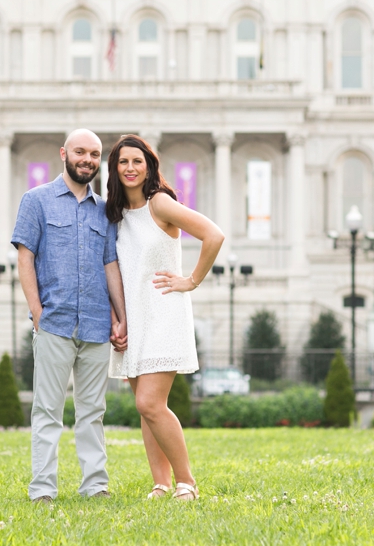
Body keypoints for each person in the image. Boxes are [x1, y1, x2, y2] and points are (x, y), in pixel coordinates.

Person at [11, 129, 128, 504]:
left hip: (95, 325)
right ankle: (43, 489)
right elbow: (25, 257)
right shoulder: (36, 201)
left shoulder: (104, 210)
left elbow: (110, 264)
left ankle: (95, 486)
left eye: (94, 154)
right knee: (47, 411)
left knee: (92, 412)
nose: (88, 160)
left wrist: (119, 317)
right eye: (81, 152)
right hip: (55, 323)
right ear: (64, 153)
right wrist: (37, 311)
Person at [106, 134, 224, 502]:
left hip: (164, 312)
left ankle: (187, 482)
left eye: (137, 161)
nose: (130, 168)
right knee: (146, 406)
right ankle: (161, 483)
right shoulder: (115, 215)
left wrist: (190, 280)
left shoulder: (160, 204)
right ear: (115, 169)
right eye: (123, 162)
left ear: (149, 166)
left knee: (149, 403)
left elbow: (213, 235)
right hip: (134, 318)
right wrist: (117, 319)